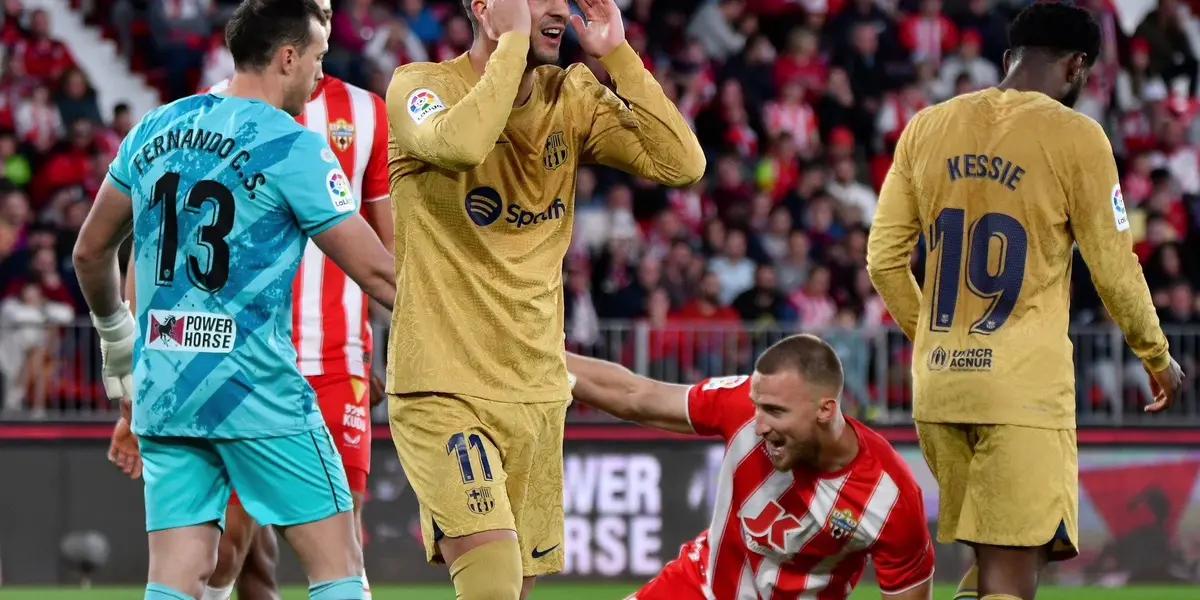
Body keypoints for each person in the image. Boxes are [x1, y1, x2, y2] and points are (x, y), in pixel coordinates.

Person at [72, 1, 396, 598]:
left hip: (165, 390)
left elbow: (91, 253)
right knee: (336, 564)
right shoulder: (290, 145)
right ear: (287, 57)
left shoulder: (155, 127)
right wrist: (469, 325)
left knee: (175, 577)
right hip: (254, 389)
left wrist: (120, 351)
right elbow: (381, 275)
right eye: (317, 59)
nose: (319, 76)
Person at [383, 0, 705, 597]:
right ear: (483, 6)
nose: (558, 11)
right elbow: (461, 146)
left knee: (518, 588)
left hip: (536, 389)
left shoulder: (572, 96)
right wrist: (509, 45)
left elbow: (682, 162)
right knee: (493, 584)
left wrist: (618, 55)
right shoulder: (419, 87)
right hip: (443, 385)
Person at [866, 4, 1185, 600]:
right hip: (1021, 392)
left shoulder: (927, 126)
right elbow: (1114, 267)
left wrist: (937, 341)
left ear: (1010, 57)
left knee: (989, 571)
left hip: (940, 390)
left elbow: (883, 260)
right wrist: (1157, 355)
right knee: (1012, 583)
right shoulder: (1077, 136)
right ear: (1077, 66)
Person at [565, 334, 935, 599]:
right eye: (758, 405)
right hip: (700, 588)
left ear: (825, 409)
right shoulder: (741, 405)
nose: (759, 424)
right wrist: (536, 352)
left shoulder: (891, 496)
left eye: (775, 411)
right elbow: (636, 396)